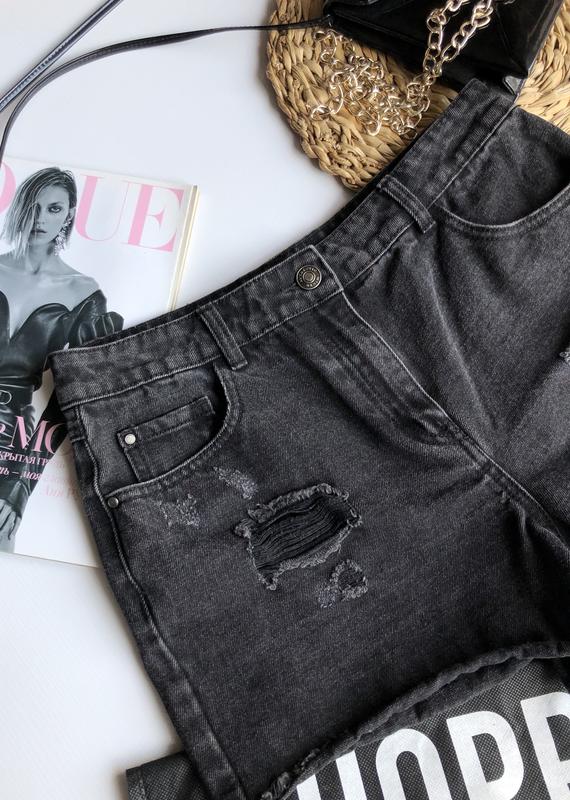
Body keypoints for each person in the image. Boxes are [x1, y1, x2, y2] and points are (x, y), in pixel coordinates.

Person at [0, 166, 123, 551]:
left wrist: (22, 485)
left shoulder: (83, 293)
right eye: (33, 207)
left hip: (10, 436)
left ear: (69, 214)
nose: (40, 219)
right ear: (19, 207)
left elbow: (72, 395)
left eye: (53, 209)